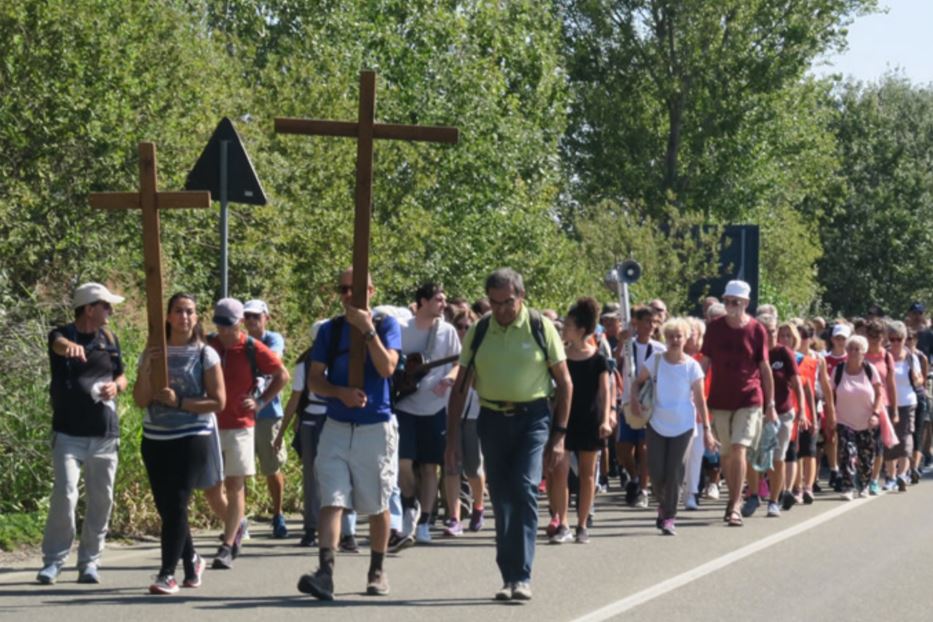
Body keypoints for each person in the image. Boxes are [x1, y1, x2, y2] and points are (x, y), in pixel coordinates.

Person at [445, 268, 571, 602]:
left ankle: (522, 575)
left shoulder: (539, 327)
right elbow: (460, 387)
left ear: (521, 296)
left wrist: (558, 436)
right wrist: (452, 440)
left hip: (533, 418)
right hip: (492, 418)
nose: (501, 310)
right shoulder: (480, 329)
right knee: (501, 496)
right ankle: (508, 577)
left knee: (525, 488)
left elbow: (566, 383)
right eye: (495, 302)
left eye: (508, 302)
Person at [297, 268, 401, 600]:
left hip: (375, 425)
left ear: (370, 291)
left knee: (376, 502)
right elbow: (314, 379)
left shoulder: (386, 325)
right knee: (332, 498)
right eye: (343, 289)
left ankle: (377, 570)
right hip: (338, 426)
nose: (348, 296)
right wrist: (339, 392)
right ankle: (325, 573)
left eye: (355, 290)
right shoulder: (329, 330)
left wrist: (368, 330)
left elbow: (387, 368)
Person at [133, 293, 226, 594]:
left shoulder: (205, 354)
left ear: (196, 318)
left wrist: (181, 401)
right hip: (155, 438)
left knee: (177, 503)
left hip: (192, 437)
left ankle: (166, 574)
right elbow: (139, 400)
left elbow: (218, 401)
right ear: (169, 317)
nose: (184, 317)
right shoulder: (152, 352)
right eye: (178, 311)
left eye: (190, 312)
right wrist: (147, 368)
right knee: (168, 508)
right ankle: (192, 560)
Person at [37, 283, 128, 585]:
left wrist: (117, 386)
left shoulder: (110, 339)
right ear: (89, 308)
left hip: (104, 433)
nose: (110, 311)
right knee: (65, 494)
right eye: (105, 306)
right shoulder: (62, 335)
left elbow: (121, 375)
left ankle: (89, 562)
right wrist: (70, 348)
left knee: (102, 500)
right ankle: (53, 562)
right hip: (68, 434)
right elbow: (57, 344)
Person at [205, 298, 289, 569]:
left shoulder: (252, 347)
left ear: (239, 323)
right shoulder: (209, 344)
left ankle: (228, 545)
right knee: (211, 488)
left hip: (241, 425)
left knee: (234, 484)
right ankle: (238, 522)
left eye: (229, 325)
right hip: (210, 423)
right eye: (220, 324)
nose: (224, 330)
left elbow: (282, 375)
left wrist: (261, 402)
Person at [699, 280, 775, 527]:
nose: (730, 306)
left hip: (749, 398)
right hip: (720, 399)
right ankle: (732, 499)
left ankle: (734, 505)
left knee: (740, 448)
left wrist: (770, 403)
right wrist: (696, 393)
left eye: (735, 302)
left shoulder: (756, 329)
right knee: (727, 454)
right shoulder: (714, 328)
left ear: (746, 303)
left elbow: (765, 368)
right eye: (727, 301)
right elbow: (705, 363)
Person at [630, 318, 715, 535]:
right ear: (665, 338)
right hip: (656, 423)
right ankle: (662, 504)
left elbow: (700, 399)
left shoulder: (692, 366)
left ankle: (669, 516)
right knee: (657, 472)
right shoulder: (656, 360)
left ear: (686, 338)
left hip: (684, 426)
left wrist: (707, 429)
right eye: (670, 336)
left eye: (679, 336)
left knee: (675, 472)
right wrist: (633, 400)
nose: (675, 340)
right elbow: (637, 381)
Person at [395, 282, 460, 545]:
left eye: (444, 300)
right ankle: (409, 504)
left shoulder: (447, 331)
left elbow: (459, 363)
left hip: (434, 408)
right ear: (422, 302)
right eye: (438, 299)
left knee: (431, 467)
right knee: (403, 463)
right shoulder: (401, 329)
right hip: (405, 405)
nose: (444, 304)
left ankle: (424, 521)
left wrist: (449, 380)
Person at [547, 297, 611, 544]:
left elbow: (605, 392)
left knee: (586, 475)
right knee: (559, 472)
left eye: (568, 325)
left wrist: (606, 420)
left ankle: (582, 524)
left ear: (581, 330)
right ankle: (562, 522)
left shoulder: (598, 359)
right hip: (564, 420)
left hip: (590, 420)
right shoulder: (560, 357)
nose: (564, 329)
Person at [743, 314, 805, 519]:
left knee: (778, 457)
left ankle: (774, 501)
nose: (768, 334)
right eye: (764, 329)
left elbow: (797, 384)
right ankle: (753, 495)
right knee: (753, 455)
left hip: (782, 413)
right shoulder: (751, 352)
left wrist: (803, 410)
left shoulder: (783, 353)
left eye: (771, 330)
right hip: (755, 411)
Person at [275, 320, 328, 547]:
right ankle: (340, 531)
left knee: (312, 476)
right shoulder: (337, 359)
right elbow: (295, 399)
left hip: (312, 421)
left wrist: (281, 433)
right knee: (329, 475)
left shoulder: (304, 363)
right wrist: (281, 433)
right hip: (326, 421)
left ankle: (313, 529)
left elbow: (295, 400)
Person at [243, 299, 289, 538]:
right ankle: (240, 521)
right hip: (243, 414)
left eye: (256, 316)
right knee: (239, 470)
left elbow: (273, 361)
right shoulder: (240, 342)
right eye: (247, 316)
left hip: (269, 414)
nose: (251, 320)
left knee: (272, 468)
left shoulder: (273, 339)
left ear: (266, 318)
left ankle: (278, 515)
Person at [442, 309, 487, 536]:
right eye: (459, 326)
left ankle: (479, 505)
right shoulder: (448, 350)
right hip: (450, 415)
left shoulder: (483, 351)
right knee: (451, 466)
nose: (462, 331)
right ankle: (454, 517)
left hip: (474, 415)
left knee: (473, 468)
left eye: (467, 327)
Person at [618, 305, 665, 508]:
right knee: (623, 448)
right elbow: (616, 362)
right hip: (628, 400)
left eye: (654, 322)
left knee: (644, 447)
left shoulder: (660, 349)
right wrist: (621, 340)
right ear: (636, 323)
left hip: (650, 403)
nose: (651, 326)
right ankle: (634, 477)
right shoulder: (628, 344)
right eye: (647, 321)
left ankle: (643, 490)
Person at [833, 335, 883, 500]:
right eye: (850, 349)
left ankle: (865, 485)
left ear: (864, 352)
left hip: (866, 421)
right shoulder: (839, 370)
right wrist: (831, 414)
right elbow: (829, 392)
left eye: (857, 349)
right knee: (847, 452)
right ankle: (847, 486)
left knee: (866, 455)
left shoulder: (870, 370)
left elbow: (879, 393)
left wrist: (876, 413)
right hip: (844, 420)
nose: (853, 352)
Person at [885, 321, 922, 491]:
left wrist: (916, 378)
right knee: (889, 438)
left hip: (908, 401)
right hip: (888, 402)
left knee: (906, 436)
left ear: (904, 339)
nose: (895, 342)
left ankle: (902, 474)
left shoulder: (910, 357)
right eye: (892, 339)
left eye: (898, 339)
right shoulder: (885, 356)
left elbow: (920, 379)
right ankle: (891, 476)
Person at [864, 319, 897, 494]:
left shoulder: (886, 356)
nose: (874, 339)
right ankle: (863, 475)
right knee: (862, 445)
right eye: (871, 335)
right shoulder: (860, 354)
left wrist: (895, 409)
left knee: (877, 445)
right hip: (861, 405)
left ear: (883, 337)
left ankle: (874, 479)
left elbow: (891, 384)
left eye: (878, 336)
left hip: (881, 406)